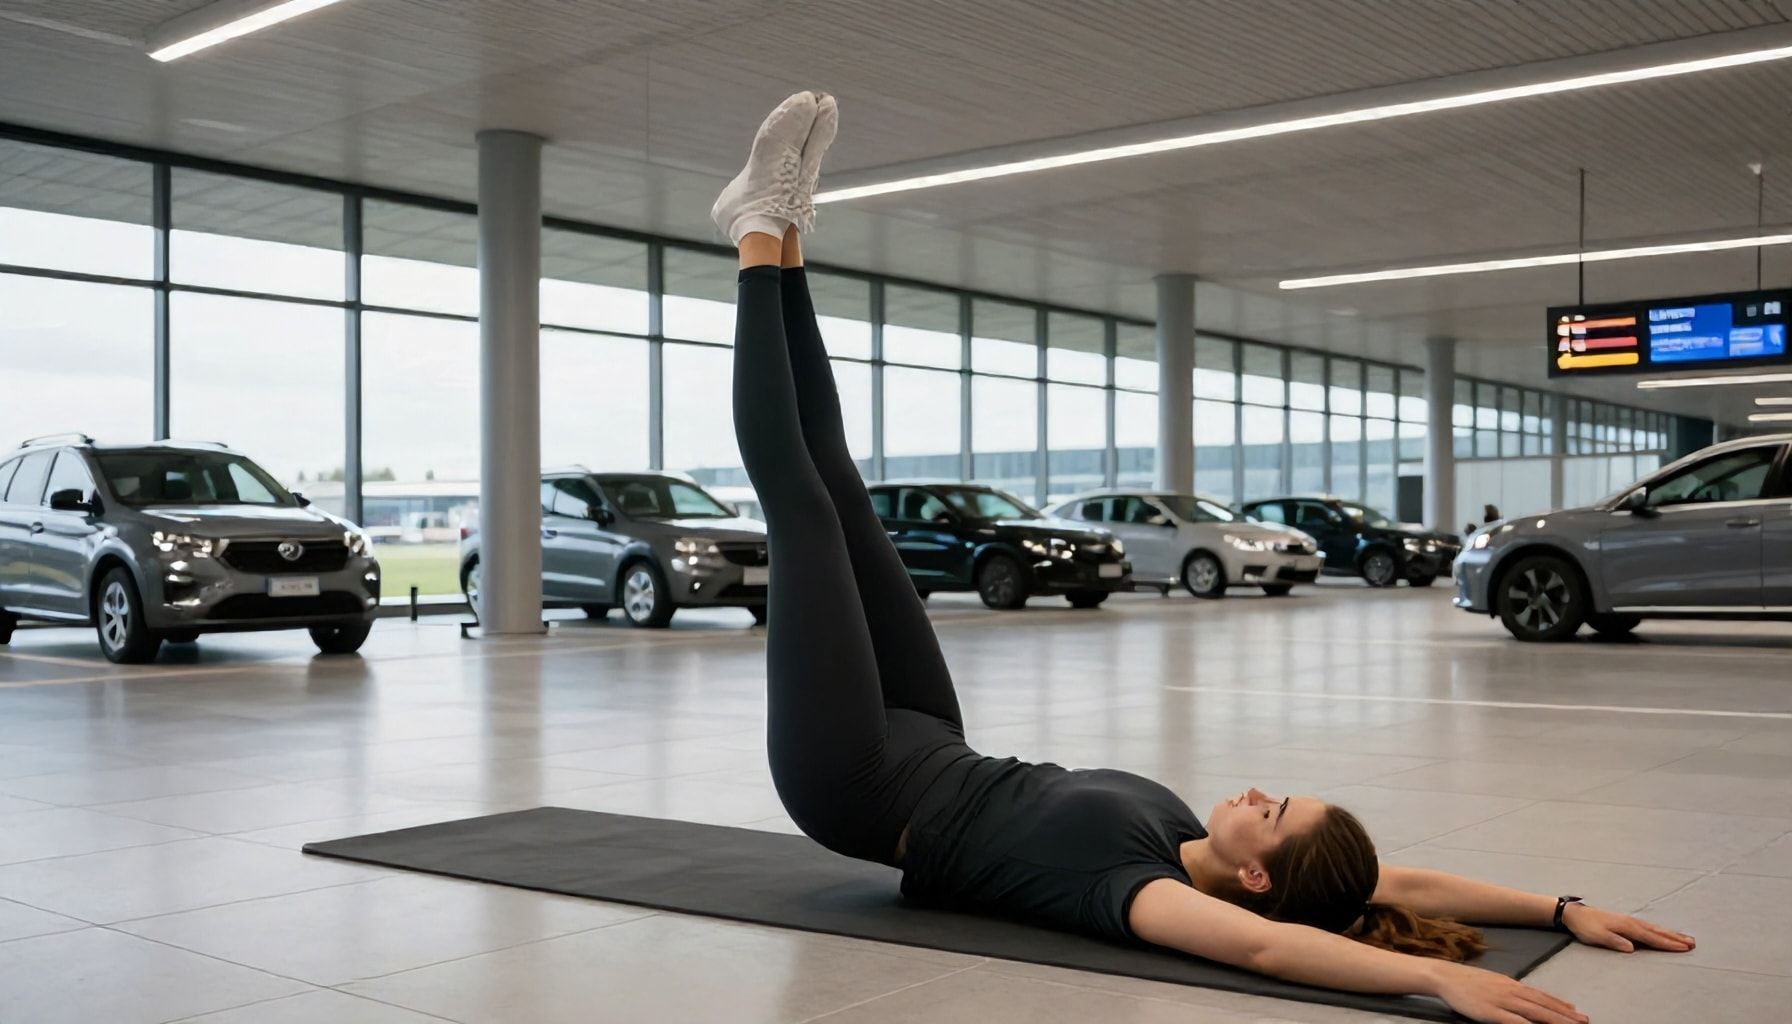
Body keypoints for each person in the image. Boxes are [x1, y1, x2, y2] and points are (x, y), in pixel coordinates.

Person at [718, 92, 1693, 1024]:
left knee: (800, 505)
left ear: (1256, 875)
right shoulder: (1180, 829)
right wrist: (1561, 908)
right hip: (934, 737)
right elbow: (1396, 881)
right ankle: (788, 233)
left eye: (1269, 811)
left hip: (852, 780)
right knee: (843, 488)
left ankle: (754, 233)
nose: (1256, 790)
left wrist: (1437, 985)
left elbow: (1269, 951)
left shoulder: (1138, 892)